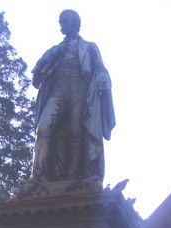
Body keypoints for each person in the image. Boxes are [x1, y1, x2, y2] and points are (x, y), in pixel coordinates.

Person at [31, 10, 115, 184]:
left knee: (76, 133)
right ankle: (40, 175)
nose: (61, 25)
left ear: (75, 23)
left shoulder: (90, 47)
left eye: (65, 21)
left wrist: (103, 80)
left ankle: (73, 176)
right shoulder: (56, 50)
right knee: (44, 128)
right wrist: (38, 73)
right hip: (58, 91)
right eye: (60, 22)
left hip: (80, 90)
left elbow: (100, 69)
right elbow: (38, 74)